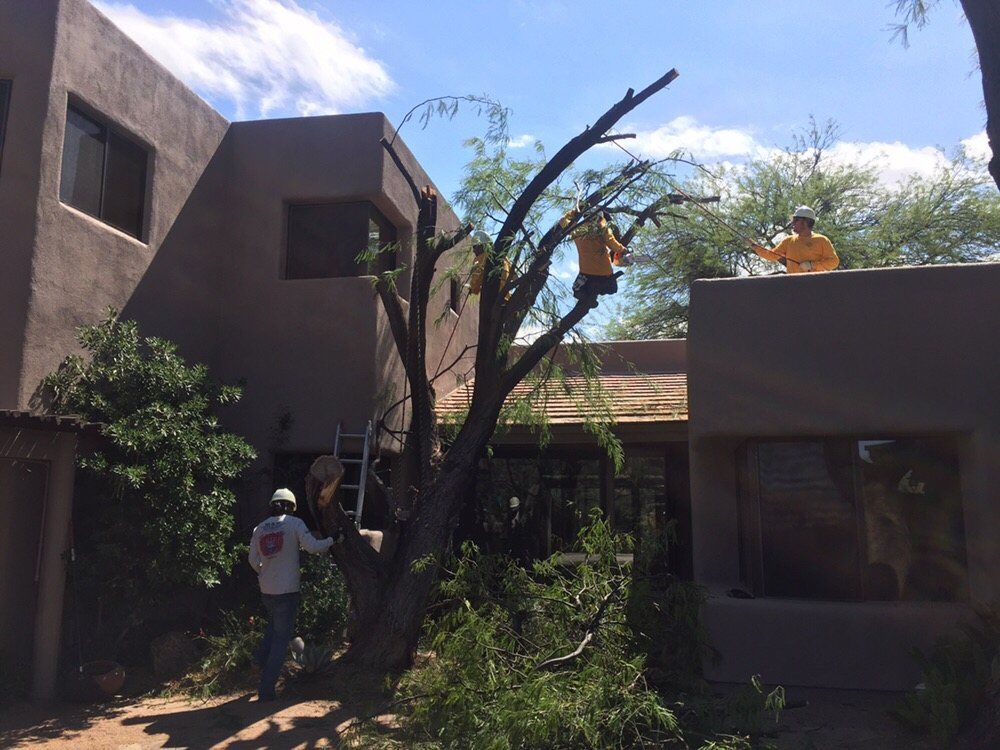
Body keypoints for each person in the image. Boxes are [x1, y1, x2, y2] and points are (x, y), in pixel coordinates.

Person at [248, 487, 336, 701]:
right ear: (291, 507)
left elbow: (253, 560)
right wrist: (333, 539)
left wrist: (265, 572)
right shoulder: (294, 524)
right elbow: (313, 547)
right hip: (287, 591)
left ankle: (258, 660)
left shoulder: (259, 528)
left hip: (267, 590)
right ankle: (266, 690)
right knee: (281, 641)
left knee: (273, 627)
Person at [559, 208, 630, 299]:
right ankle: (599, 289)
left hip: (586, 273)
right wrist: (624, 250)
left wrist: (575, 211)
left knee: (577, 290)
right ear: (599, 217)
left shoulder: (576, 230)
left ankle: (586, 292)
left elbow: (562, 221)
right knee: (612, 289)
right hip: (605, 272)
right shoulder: (602, 228)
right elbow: (612, 243)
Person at [750, 205, 839, 274]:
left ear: (805, 222)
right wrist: (753, 246)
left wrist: (812, 265)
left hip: (815, 285)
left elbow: (834, 262)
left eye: (795, 220)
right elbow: (772, 255)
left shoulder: (822, 240)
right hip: (793, 285)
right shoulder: (788, 241)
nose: (792, 223)